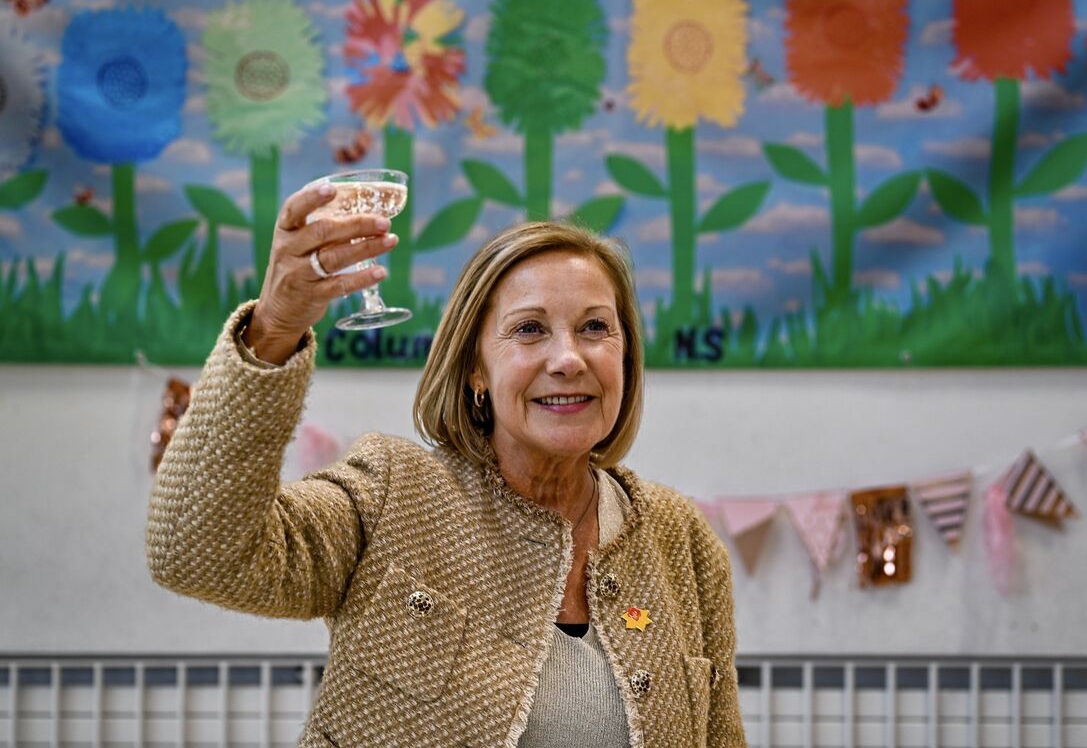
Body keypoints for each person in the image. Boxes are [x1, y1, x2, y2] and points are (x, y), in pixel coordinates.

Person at [145, 181, 745, 748]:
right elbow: (196, 552)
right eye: (529, 329)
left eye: (595, 328)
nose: (568, 358)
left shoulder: (682, 541)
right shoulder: (394, 494)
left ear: (626, 357)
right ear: (475, 370)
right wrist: (273, 328)